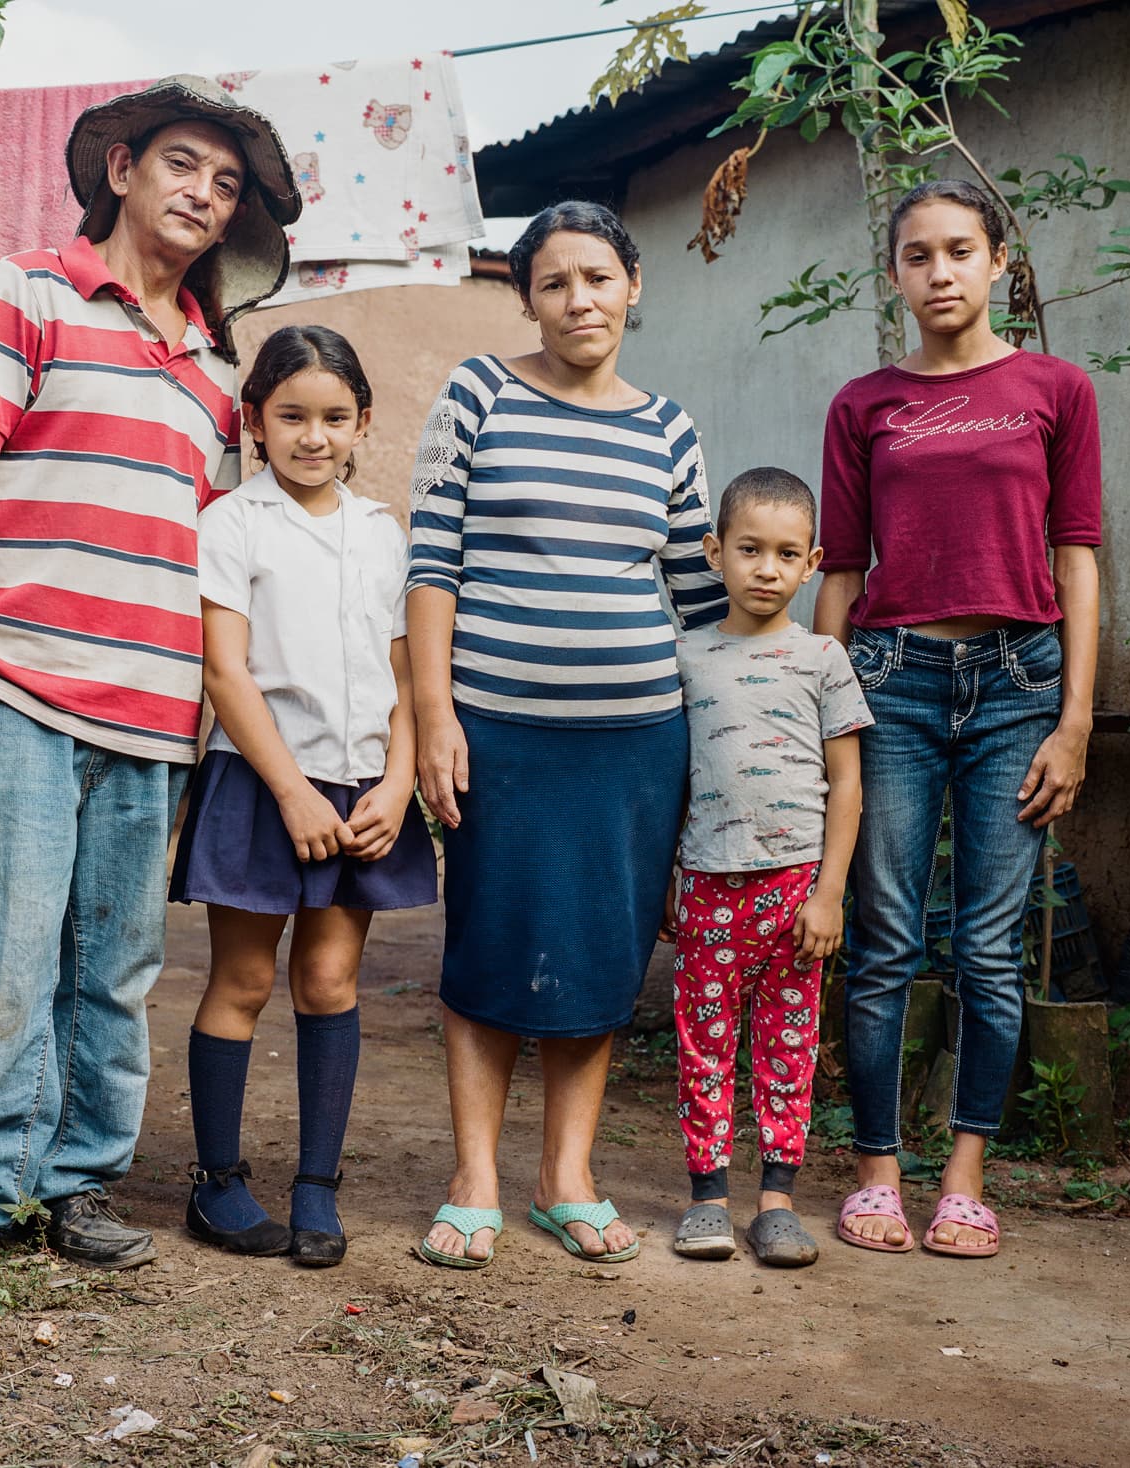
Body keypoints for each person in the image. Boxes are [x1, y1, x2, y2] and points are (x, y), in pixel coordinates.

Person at [0, 77, 301, 1288]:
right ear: (121, 168)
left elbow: (197, 553)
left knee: (114, 968)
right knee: (0, 953)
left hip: (150, 709)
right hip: (15, 683)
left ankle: (76, 1183)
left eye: (227, 185)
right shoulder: (24, 289)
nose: (204, 193)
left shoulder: (209, 377)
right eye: (185, 164)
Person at [407, 200, 727, 1269]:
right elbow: (432, 566)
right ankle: (475, 1178)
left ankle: (566, 1178)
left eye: (598, 277)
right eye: (554, 282)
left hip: (635, 743)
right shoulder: (479, 393)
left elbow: (699, 599)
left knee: (602, 954)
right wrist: (435, 714)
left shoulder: (668, 428)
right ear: (528, 297)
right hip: (498, 728)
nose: (578, 300)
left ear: (635, 285)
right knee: (489, 940)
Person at [814, 179, 1101, 1259]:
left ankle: (968, 1178)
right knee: (885, 940)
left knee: (987, 947)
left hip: (1020, 685)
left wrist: (1075, 718)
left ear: (997, 264)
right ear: (894, 272)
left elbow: (1076, 556)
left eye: (960, 251)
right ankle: (879, 1174)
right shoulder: (864, 404)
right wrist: (820, 710)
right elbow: (841, 569)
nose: (940, 272)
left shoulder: (1056, 389)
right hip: (890, 680)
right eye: (919, 255)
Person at [169, 325, 436, 1268]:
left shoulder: (382, 534)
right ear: (256, 422)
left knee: (328, 982)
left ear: (363, 423)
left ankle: (317, 1185)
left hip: (363, 788)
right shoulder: (232, 524)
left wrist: (400, 782)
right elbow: (227, 673)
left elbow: (407, 675)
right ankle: (218, 1183)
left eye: (332, 418)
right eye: (291, 417)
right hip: (263, 781)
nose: (312, 437)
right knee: (242, 980)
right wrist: (289, 791)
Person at [669, 467, 870, 1268]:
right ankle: (708, 1200)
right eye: (749, 549)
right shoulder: (683, 658)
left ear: (813, 561)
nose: (766, 569)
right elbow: (669, 784)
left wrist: (829, 893)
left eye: (787, 554)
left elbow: (848, 782)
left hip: (795, 889)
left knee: (788, 1042)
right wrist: (667, 883)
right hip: (709, 883)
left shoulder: (823, 659)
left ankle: (778, 1202)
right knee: (704, 1042)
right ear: (715, 552)